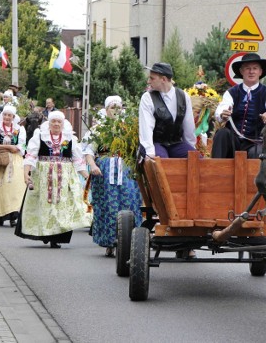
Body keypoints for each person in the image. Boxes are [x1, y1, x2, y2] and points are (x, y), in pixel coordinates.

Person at [15, 111, 91, 248]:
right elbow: (31, 156)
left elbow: (78, 160)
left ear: (63, 124)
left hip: (65, 178)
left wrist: (86, 176)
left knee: (62, 206)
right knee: (45, 206)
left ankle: (57, 237)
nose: (56, 124)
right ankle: (45, 234)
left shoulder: (70, 138)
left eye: (59, 122)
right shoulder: (40, 136)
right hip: (44, 178)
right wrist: (26, 173)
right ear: (49, 123)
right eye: (53, 121)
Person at [82, 95, 142, 257]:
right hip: (105, 173)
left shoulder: (128, 129)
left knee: (129, 203)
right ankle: (110, 242)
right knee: (108, 206)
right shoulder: (99, 129)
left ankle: (131, 242)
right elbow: (89, 151)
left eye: (118, 107)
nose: (115, 110)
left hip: (126, 171)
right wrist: (93, 165)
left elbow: (136, 150)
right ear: (106, 110)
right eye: (112, 107)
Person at [211, 53, 266, 159]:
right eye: (247, 68)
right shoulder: (231, 92)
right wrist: (223, 113)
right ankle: (215, 170)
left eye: (255, 68)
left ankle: (256, 176)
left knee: (257, 151)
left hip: (255, 142)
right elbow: (222, 109)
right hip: (233, 140)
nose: (251, 72)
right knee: (221, 134)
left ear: (260, 72)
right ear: (241, 72)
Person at [139, 62, 197, 158]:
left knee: (197, 161)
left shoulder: (183, 96)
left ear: (163, 79)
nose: (148, 81)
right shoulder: (147, 97)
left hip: (176, 144)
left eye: (152, 78)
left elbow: (188, 127)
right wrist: (149, 153)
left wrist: (191, 150)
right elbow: (146, 127)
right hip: (156, 144)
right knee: (162, 163)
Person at [0, 105, 26, 227]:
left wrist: (10, 147)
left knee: (15, 186)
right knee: (0, 188)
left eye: (9, 115)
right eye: (5, 115)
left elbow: (22, 146)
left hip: (15, 161)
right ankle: (0, 215)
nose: (7, 117)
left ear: (13, 117)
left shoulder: (19, 129)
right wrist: (8, 147)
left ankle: (13, 215)